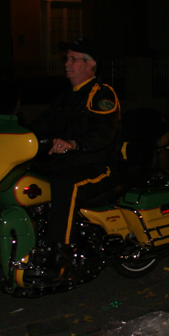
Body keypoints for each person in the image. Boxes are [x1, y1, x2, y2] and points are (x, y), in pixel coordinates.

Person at [29, 37, 121, 278]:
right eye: (66, 58)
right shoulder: (65, 97)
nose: (67, 63)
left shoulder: (101, 94)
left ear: (90, 65)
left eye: (73, 59)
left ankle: (60, 253)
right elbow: (42, 123)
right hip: (65, 162)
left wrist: (73, 144)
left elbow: (103, 133)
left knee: (66, 183)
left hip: (97, 165)